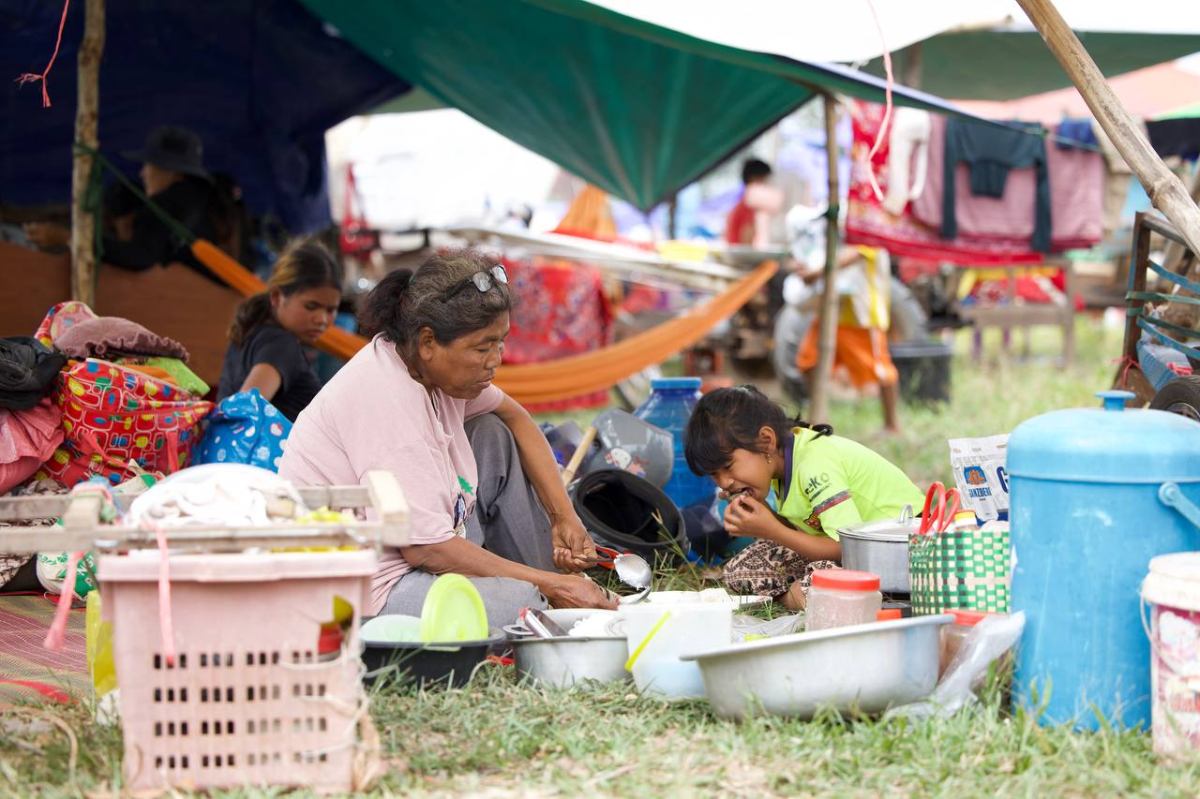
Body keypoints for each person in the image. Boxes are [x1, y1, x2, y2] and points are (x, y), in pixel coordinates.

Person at [278, 248, 615, 625]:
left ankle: (556, 587)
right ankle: (551, 593)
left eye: (500, 342)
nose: (496, 359)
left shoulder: (429, 368)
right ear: (428, 342)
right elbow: (427, 550)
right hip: (366, 591)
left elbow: (517, 417)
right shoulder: (388, 401)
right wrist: (546, 585)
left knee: (493, 433)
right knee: (521, 604)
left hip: (427, 542)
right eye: (483, 347)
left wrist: (564, 518)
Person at [683, 385, 922, 610]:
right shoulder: (779, 468)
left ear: (766, 442)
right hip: (853, 552)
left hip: (903, 553)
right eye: (714, 474)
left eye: (728, 466)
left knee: (818, 588)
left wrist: (772, 530)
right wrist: (763, 513)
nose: (724, 482)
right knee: (740, 569)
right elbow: (803, 533)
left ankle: (804, 596)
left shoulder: (814, 465)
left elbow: (846, 548)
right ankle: (800, 594)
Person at [23, 125, 238, 280]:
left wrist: (69, 237)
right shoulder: (210, 202)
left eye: (148, 166)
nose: (143, 174)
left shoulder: (169, 204)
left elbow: (139, 257)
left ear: (171, 171)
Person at [217, 240, 340, 421]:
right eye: (311, 306)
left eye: (331, 310)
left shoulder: (250, 333)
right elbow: (242, 415)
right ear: (276, 297)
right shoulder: (281, 345)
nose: (322, 319)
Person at [724, 158, 781, 248]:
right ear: (756, 179)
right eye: (765, 181)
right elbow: (747, 243)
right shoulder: (748, 207)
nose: (768, 186)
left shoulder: (742, 204)